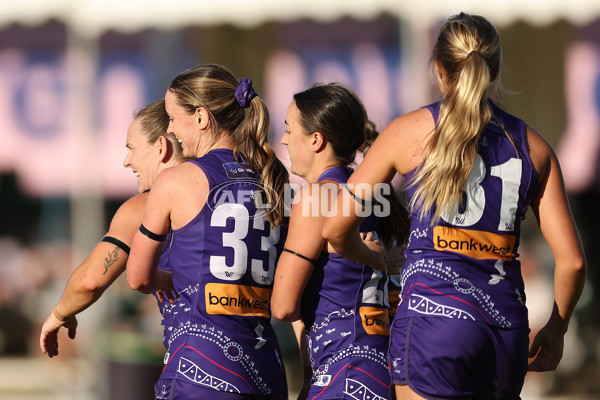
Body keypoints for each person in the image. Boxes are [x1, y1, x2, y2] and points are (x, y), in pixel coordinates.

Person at [322, 12, 588, 400]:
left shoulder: (407, 132)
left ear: (438, 69)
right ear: (494, 71)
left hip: (433, 321)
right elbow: (573, 262)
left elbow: (334, 227)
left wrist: (376, 259)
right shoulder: (533, 147)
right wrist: (557, 328)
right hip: (504, 326)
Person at [126, 64, 289, 400]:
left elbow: (138, 277)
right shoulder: (272, 178)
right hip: (265, 368)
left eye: (172, 117)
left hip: (201, 367)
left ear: (201, 117)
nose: (170, 129)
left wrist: (169, 279)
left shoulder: (176, 181)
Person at [271, 83, 409, 400]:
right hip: (376, 368)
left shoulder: (316, 198)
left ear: (316, 139)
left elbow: (282, 305)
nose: (284, 139)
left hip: (345, 370)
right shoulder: (373, 195)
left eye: (289, 130)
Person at [40, 99, 184, 358]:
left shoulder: (144, 206)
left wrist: (60, 312)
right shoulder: (242, 187)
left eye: (132, 148)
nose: (126, 161)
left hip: (199, 362)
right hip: (264, 361)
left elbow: (90, 281)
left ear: (161, 147)